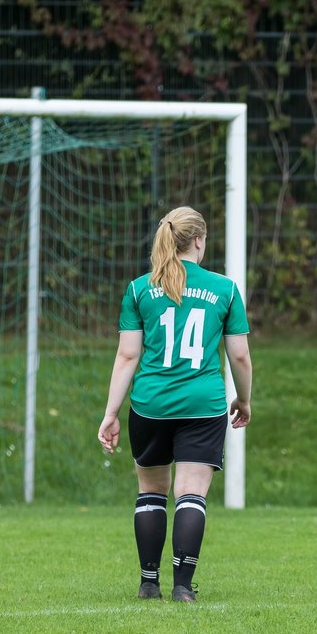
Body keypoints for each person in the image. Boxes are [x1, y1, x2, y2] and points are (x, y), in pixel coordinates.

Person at [98, 206, 252, 603]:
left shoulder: (139, 289)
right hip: (203, 404)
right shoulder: (225, 289)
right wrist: (245, 399)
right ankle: (183, 587)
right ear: (199, 240)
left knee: (151, 491)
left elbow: (127, 356)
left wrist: (111, 412)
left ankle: (149, 583)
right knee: (191, 493)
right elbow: (239, 357)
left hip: (150, 404)